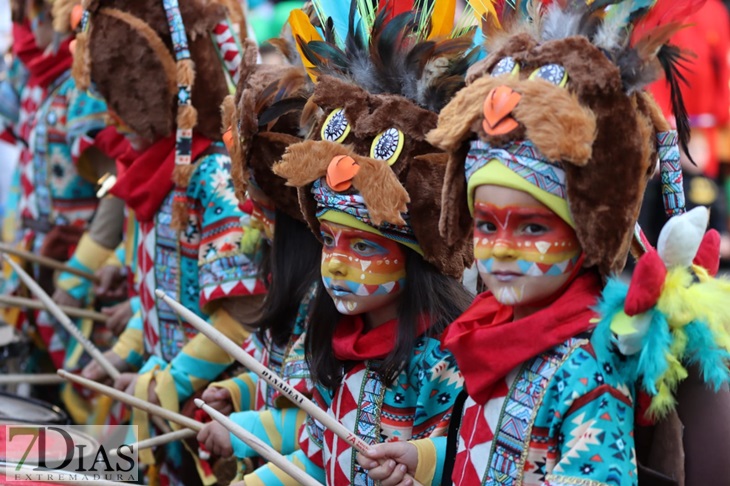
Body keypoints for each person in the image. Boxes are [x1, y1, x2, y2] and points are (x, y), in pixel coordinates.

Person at [357, 1, 730, 485]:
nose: (503, 247)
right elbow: (505, 453)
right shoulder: (488, 337)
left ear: (588, 235)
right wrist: (428, 461)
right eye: (487, 226)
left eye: (532, 227)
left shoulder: (588, 372)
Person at [237, 2, 477, 484]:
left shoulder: (444, 360)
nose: (336, 265)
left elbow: (461, 457)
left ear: (417, 255)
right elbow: (314, 458)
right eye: (329, 240)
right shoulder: (337, 343)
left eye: (364, 247)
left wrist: (421, 468)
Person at [72, 0, 266, 482]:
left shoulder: (212, 178)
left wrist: (171, 381)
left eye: (122, 102)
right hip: (162, 403)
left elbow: (242, 314)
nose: (112, 119)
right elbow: (162, 298)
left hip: (214, 414)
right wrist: (126, 353)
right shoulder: (153, 174)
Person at [194, 39, 321, 480]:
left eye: (263, 201)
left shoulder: (332, 293)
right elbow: (277, 369)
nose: (248, 210)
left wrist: (243, 428)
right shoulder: (295, 275)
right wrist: (239, 392)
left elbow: (330, 434)